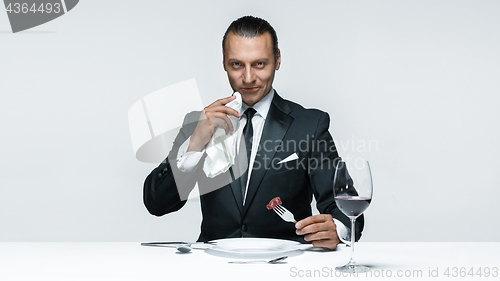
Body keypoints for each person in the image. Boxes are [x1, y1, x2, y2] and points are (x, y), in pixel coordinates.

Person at [143, 15, 363, 250]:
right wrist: (195, 142)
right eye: (237, 65)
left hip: (284, 265)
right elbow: (157, 203)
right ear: (224, 62)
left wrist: (338, 229)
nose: (248, 78)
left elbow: (347, 210)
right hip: (212, 267)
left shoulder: (310, 125)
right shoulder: (198, 123)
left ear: (277, 60)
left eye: (259, 64)